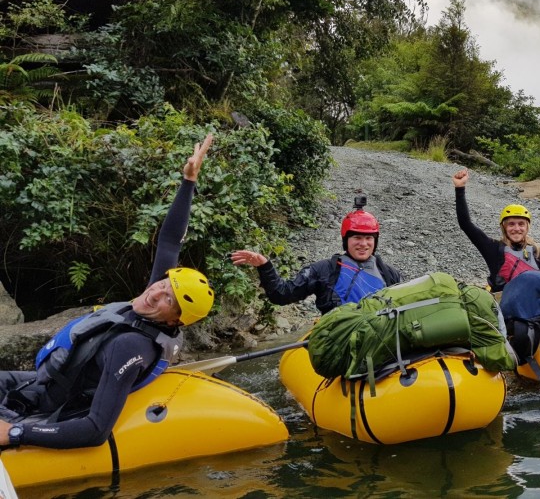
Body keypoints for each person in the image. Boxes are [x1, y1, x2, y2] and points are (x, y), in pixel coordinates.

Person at [0, 134, 215, 450]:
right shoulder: (150, 306)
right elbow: (170, 241)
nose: (156, 292)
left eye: (169, 298)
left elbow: (96, 429)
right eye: (163, 284)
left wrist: (17, 434)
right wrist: (189, 180)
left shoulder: (131, 346)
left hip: (49, 412)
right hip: (39, 387)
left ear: (175, 321)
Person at [230, 197, 403, 314]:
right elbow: (281, 294)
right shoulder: (323, 270)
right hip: (339, 343)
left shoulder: (389, 274)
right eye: (357, 237)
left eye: (368, 238)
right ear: (346, 240)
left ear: (375, 241)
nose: (363, 244)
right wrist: (265, 266)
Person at [452, 168, 540, 292]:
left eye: (521, 224)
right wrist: (460, 189)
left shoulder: (539, 253)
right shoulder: (493, 248)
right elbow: (465, 224)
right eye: (511, 224)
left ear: (527, 227)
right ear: (504, 226)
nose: (516, 228)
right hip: (505, 305)